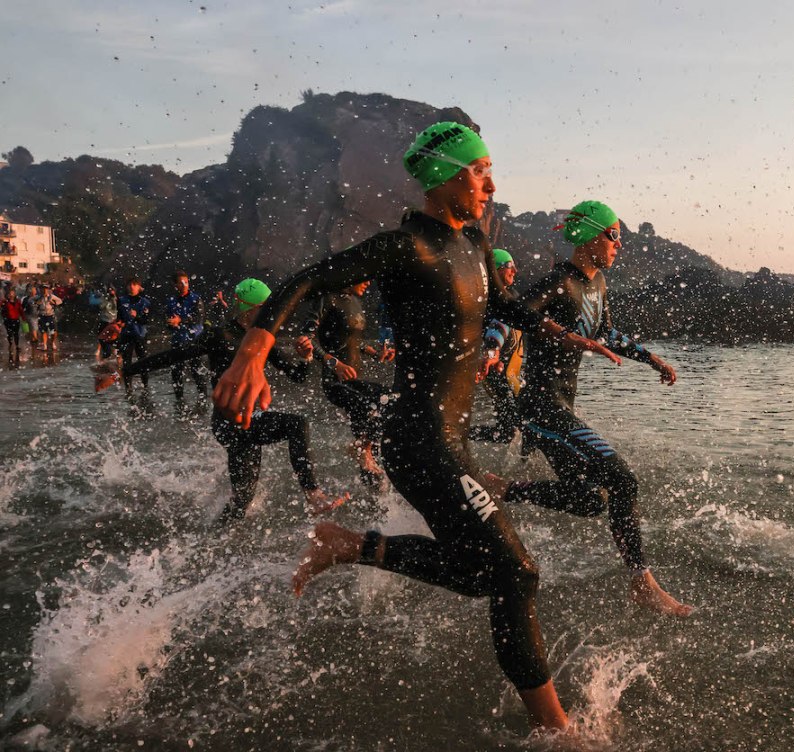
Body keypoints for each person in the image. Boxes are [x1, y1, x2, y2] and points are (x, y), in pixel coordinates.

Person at [211, 122, 621, 731]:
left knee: (486, 573)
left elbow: (502, 308)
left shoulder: (475, 244)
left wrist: (566, 333)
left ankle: (351, 545)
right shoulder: (407, 247)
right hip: (419, 441)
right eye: (480, 170)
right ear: (447, 175)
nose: (490, 183)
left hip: (449, 439)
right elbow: (306, 281)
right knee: (517, 574)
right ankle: (556, 731)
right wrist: (252, 353)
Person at [510, 199, 692, 618]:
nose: (619, 245)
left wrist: (652, 360)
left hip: (560, 406)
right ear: (591, 236)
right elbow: (517, 312)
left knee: (591, 500)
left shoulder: (597, 285)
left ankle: (504, 489)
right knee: (623, 480)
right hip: (540, 405)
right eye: (613, 236)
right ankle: (643, 584)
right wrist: (566, 336)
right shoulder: (558, 281)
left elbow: (606, 332)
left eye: (619, 238)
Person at [103, 279, 346, 523]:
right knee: (297, 424)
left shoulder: (262, 339)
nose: (273, 315)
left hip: (249, 418)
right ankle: (314, 495)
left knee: (242, 502)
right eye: (267, 308)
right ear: (249, 308)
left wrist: (306, 358)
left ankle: (212, 538)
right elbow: (173, 356)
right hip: (227, 422)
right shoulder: (220, 335)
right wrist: (125, 371)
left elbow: (297, 376)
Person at [300, 280, 394, 481]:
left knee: (390, 400)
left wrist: (374, 352)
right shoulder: (327, 298)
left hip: (355, 380)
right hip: (336, 382)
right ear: (351, 275)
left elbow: (349, 340)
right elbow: (307, 339)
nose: (368, 282)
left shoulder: (354, 301)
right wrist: (336, 365)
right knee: (370, 408)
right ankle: (361, 449)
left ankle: (378, 498)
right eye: (364, 277)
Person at [470, 249, 525, 444]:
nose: (514, 270)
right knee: (511, 430)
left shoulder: (510, 295)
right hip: (496, 371)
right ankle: (454, 436)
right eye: (509, 265)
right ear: (495, 270)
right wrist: (493, 352)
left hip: (512, 372)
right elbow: (498, 326)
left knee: (520, 427)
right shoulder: (492, 301)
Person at [165, 270, 209, 410]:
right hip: (178, 340)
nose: (185, 285)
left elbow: (199, 318)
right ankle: (179, 402)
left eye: (186, 282)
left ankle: (203, 402)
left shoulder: (196, 298)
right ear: (175, 285)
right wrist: (171, 323)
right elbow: (168, 324)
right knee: (176, 372)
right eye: (181, 282)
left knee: (197, 372)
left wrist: (181, 320)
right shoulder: (171, 301)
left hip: (195, 340)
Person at [117, 277, 152, 392]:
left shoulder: (145, 302)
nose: (132, 286)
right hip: (126, 334)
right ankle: (128, 388)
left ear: (139, 287)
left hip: (140, 335)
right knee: (127, 361)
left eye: (134, 284)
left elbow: (146, 320)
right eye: (130, 284)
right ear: (127, 286)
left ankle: (145, 386)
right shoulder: (121, 300)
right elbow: (119, 318)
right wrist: (118, 324)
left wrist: (136, 316)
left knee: (143, 360)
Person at [94, 286, 121, 363]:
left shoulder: (117, 299)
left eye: (112, 290)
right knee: (102, 336)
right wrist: (107, 300)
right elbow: (101, 307)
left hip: (114, 320)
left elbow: (119, 308)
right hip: (104, 319)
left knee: (115, 336)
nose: (111, 292)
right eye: (109, 290)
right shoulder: (104, 298)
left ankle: (115, 352)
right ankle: (99, 350)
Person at [35, 284, 63, 351]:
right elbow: (31, 301)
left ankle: (52, 342)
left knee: (54, 331)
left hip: (50, 315)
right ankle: (45, 344)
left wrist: (53, 302)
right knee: (43, 331)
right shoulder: (38, 297)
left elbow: (60, 301)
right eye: (43, 289)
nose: (44, 291)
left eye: (46, 289)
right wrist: (36, 303)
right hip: (42, 315)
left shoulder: (51, 296)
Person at [2, 286, 23, 365]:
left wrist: (23, 318)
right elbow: (2, 310)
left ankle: (17, 345)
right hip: (8, 320)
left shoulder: (17, 301)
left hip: (16, 319)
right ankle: (11, 343)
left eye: (12, 293)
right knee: (9, 333)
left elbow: (20, 310)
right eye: (10, 294)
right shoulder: (5, 302)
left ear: (14, 294)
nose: (11, 295)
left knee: (16, 333)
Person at [21, 284, 40, 349]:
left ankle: (34, 339)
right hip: (28, 314)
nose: (33, 291)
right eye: (32, 290)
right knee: (32, 327)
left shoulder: (38, 298)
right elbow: (22, 307)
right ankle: (35, 339)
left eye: (34, 290)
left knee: (34, 328)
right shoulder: (26, 299)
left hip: (36, 315)